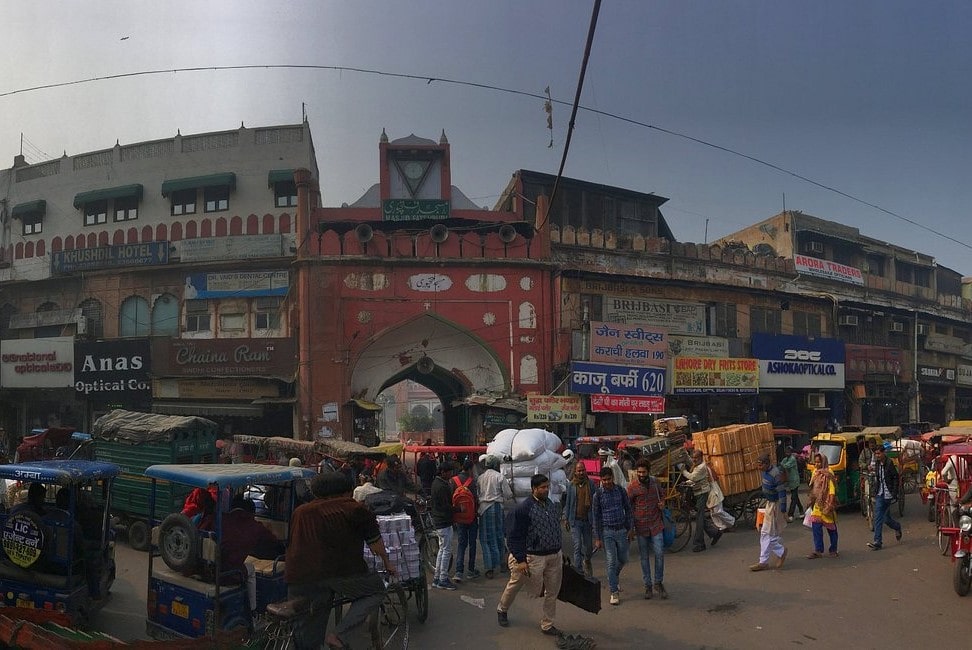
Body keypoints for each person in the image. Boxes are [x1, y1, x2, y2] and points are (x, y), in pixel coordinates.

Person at [286, 471, 395, 650]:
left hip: (297, 575)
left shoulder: (300, 511)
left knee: (307, 625)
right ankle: (339, 635)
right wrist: (388, 563)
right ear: (346, 490)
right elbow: (376, 545)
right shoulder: (353, 508)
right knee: (376, 590)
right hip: (338, 573)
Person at [497, 474, 563, 638]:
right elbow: (513, 536)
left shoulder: (552, 505)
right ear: (533, 489)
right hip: (533, 557)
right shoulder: (524, 509)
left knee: (552, 591)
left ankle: (547, 624)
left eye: (547, 487)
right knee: (516, 583)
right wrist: (520, 560)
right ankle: (502, 609)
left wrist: (561, 551)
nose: (546, 490)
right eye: (542, 487)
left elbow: (556, 529)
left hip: (554, 555)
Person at [626, 458, 668, 600]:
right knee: (644, 558)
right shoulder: (632, 487)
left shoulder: (656, 483)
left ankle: (658, 582)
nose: (641, 475)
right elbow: (628, 507)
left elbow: (663, 496)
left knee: (659, 553)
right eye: (639, 472)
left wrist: (662, 503)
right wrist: (630, 528)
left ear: (648, 472)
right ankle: (648, 585)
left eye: (644, 472)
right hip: (641, 526)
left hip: (656, 524)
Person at [592, 466, 633, 606]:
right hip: (607, 532)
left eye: (609, 479)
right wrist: (597, 538)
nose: (607, 482)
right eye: (604, 480)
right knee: (611, 561)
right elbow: (595, 517)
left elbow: (628, 509)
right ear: (601, 480)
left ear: (612, 478)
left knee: (623, 558)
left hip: (621, 530)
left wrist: (630, 528)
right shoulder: (598, 495)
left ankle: (613, 578)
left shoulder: (621, 491)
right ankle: (613, 591)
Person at [476, 455, 512, 579]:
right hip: (497, 508)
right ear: (496, 465)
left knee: (486, 539)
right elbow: (508, 494)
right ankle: (502, 563)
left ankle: (489, 568)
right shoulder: (500, 477)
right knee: (499, 536)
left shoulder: (480, 478)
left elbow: (477, 494)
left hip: (484, 509)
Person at [750, 454, 788, 571]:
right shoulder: (765, 472)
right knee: (766, 534)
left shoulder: (776, 474)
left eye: (760, 464)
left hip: (774, 505)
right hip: (769, 504)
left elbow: (782, 492)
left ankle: (778, 553)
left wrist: (783, 509)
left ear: (767, 464)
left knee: (767, 534)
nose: (759, 467)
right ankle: (764, 560)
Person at [681, 449, 722, 552]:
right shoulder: (696, 465)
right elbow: (693, 476)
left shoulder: (701, 467)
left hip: (702, 493)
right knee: (701, 516)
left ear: (701, 458)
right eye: (693, 458)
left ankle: (700, 543)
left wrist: (683, 471)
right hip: (698, 492)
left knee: (699, 518)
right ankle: (715, 532)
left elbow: (693, 477)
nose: (694, 460)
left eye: (696, 458)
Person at [563, 462, 596, 578]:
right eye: (578, 471)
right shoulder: (571, 485)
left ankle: (587, 561)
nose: (581, 473)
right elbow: (568, 502)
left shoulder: (591, 484)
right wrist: (565, 518)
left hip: (587, 520)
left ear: (585, 471)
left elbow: (595, 502)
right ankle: (579, 572)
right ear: (575, 472)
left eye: (582, 470)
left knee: (588, 547)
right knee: (577, 545)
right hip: (575, 520)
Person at [867, 445, 903, 550]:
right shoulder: (877, 464)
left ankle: (897, 526)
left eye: (879, 453)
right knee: (878, 517)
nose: (877, 456)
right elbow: (878, 478)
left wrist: (894, 493)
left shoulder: (889, 463)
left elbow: (895, 478)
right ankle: (877, 541)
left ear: (884, 453)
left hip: (889, 494)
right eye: (876, 454)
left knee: (886, 519)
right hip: (880, 493)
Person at [430, 461, 458, 590]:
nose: (451, 474)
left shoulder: (437, 483)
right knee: (446, 551)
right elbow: (445, 506)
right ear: (443, 472)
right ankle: (443, 578)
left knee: (442, 550)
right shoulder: (441, 486)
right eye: (449, 472)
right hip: (443, 521)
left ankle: (437, 577)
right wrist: (458, 509)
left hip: (439, 520)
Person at [805, 453, 839, 558]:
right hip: (817, 505)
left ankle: (833, 549)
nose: (817, 464)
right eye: (815, 462)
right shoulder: (815, 472)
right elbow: (813, 487)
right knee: (816, 528)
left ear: (823, 462)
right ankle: (818, 550)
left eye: (819, 462)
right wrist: (811, 500)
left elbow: (832, 489)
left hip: (827, 503)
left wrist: (830, 502)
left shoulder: (829, 473)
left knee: (831, 529)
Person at [453, 459, 481, 582]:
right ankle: (471, 569)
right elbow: (476, 500)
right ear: (470, 469)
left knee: (461, 544)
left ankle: (459, 571)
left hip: (459, 517)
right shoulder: (472, 482)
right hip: (471, 517)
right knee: (472, 543)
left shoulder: (453, 481)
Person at [780, 446, 804, 522]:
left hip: (795, 481)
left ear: (790, 452)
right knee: (795, 497)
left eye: (788, 452)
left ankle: (790, 514)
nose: (787, 453)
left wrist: (781, 465)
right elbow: (782, 464)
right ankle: (801, 511)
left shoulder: (792, 459)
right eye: (786, 452)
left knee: (793, 498)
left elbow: (785, 465)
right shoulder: (785, 459)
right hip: (790, 481)